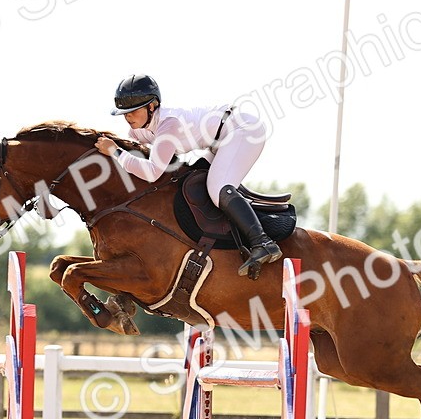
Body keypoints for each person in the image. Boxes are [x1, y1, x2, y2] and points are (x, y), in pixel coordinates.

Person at [95, 74, 282, 277]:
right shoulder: (142, 129)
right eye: (124, 113)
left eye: (133, 111)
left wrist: (115, 152)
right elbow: (133, 150)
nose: (128, 117)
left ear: (152, 106)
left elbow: (151, 172)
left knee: (217, 187)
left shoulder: (168, 124)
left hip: (241, 130)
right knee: (196, 182)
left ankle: (262, 242)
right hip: (219, 139)